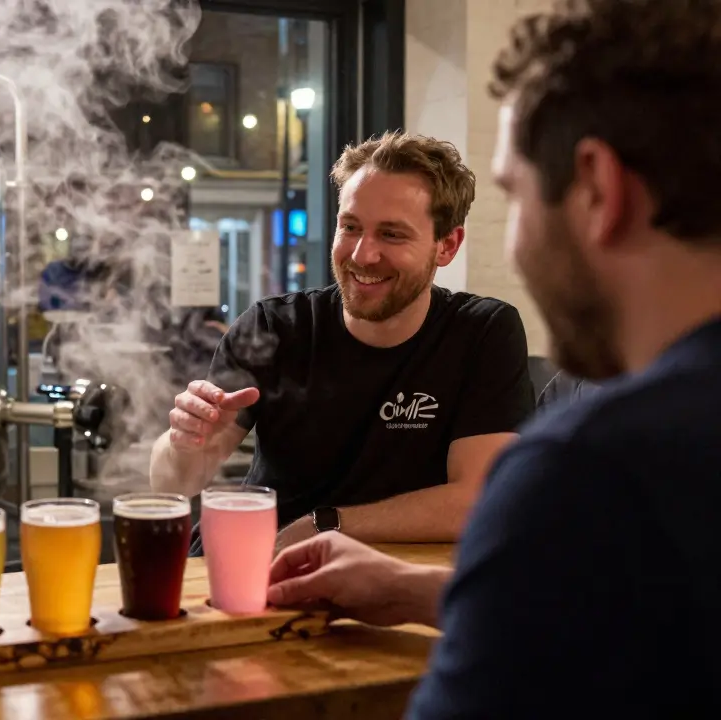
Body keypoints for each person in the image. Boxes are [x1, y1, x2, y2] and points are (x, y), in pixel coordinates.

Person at [267, 0, 721, 716]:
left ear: (599, 190)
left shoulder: (590, 471)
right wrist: (413, 588)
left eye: (515, 194)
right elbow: (634, 618)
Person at [150, 132, 535, 548]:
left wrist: (327, 525)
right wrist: (184, 443)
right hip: (257, 561)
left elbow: (482, 500)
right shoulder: (273, 328)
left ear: (447, 246)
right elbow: (174, 483)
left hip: (387, 571)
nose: (362, 255)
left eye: (392, 234)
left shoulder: (480, 333)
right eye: (350, 227)